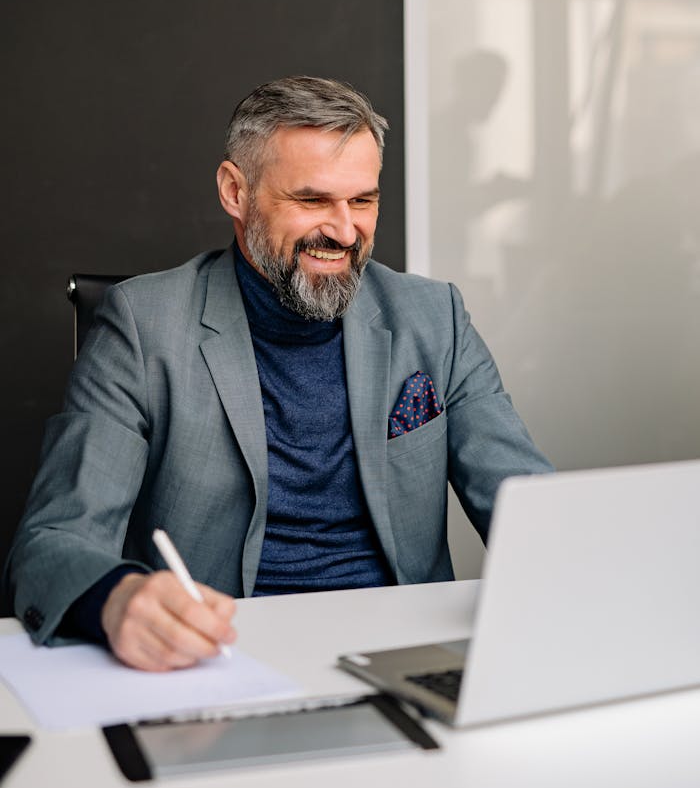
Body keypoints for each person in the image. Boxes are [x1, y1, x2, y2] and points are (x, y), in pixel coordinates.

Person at [5, 76, 552, 672]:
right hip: (226, 659)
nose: (345, 232)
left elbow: (530, 507)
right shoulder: (144, 327)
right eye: (312, 201)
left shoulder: (434, 318)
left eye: (363, 201)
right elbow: (51, 544)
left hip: (404, 656)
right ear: (235, 192)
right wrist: (116, 601)